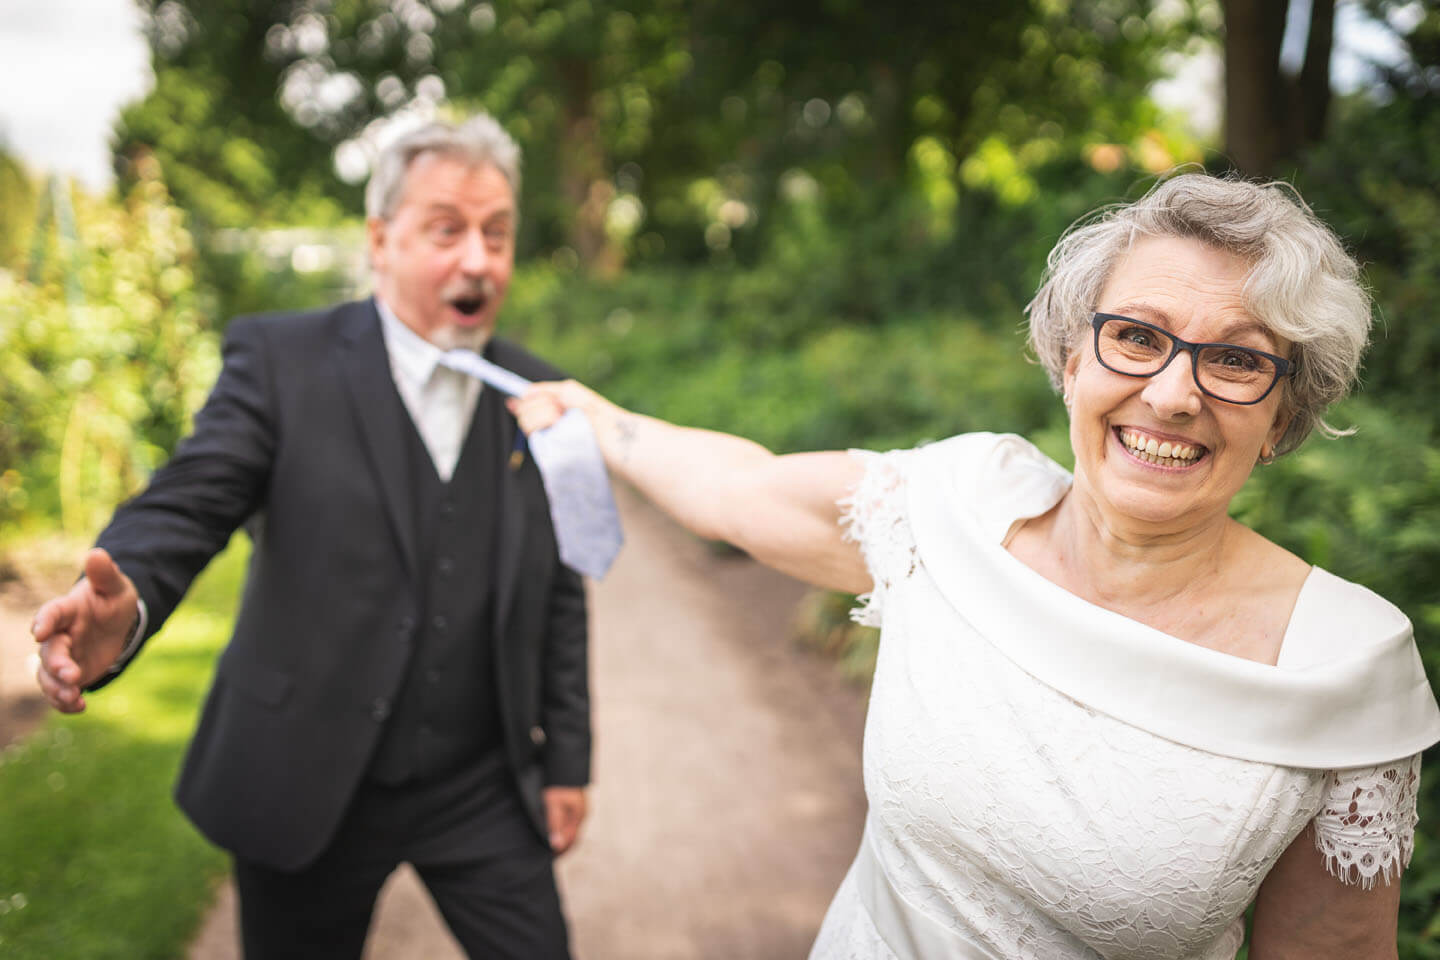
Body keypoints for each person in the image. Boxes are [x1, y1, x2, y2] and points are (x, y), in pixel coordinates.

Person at [511, 173, 1440, 958]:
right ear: (1072, 359)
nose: (1171, 394)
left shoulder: (1342, 668)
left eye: (1235, 360)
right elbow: (738, 488)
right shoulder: (953, 507)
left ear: (1283, 416)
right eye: (1136, 336)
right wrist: (597, 418)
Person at [31, 115, 589, 959]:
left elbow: (560, 589)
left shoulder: (537, 393)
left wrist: (569, 760)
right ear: (380, 240)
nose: (479, 260)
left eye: (497, 233)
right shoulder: (281, 360)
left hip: (479, 784)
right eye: (447, 230)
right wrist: (130, 594)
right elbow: (193, 497)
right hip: (307, 774)